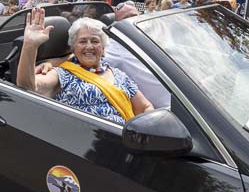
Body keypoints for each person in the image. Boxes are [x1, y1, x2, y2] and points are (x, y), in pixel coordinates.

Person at [17, 8, 154, 124]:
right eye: (82, 41)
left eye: (94, 41)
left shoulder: (119, 74)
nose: (89, 46)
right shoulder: (63, 74)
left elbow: (144, 107)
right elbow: (28, 86)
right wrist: (30, 45)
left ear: (103, 47)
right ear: (73, 48)